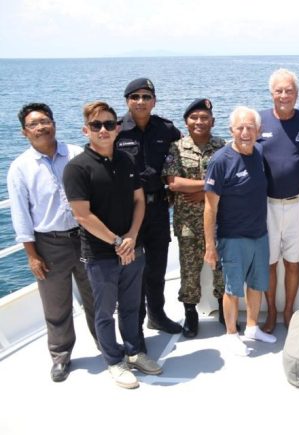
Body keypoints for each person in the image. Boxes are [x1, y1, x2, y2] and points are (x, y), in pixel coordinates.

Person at [64, 101, 162, 389]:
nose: (103, 130)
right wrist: (118, 242)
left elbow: (139, 200)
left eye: (109, 124)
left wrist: (131, 236)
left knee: (132, 306)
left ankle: (134, 352)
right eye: (96, 125)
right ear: (86, 130)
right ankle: (114, 361)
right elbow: (82, 215)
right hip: (101, 255)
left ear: (117, 128)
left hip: (132, 247)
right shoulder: (77, 168)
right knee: (105, 312)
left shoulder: (126, 160)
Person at [7, 103, 97, 382]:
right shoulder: (20, 168)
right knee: (56, 306)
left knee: (97, 296)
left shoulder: (77, 154)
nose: (41, 127)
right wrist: (32, 255)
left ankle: (106, 344)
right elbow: (21, 215)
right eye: (33, 124)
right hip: (49, 244)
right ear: (24, 132)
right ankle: (60, 356)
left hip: (85, 237)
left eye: (45, 121)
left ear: (54, 124)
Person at [203, 106, 277, 356]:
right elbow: (210, 208)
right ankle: (231, 333)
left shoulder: (259, 152)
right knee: (233, 289)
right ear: (231, 130)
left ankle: (253, 327)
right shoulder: (220, 161)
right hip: (232, 237)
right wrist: (210, 245)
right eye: (240, 128)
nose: (245, 133)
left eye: (250, 128)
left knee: (257, 285)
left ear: (259, 130)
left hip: (259, 234)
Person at [115, 78, 183, 341]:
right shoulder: (116, 130)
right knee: (132, 272)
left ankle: (157, 315)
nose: (140, 101)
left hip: (157, 209)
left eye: (146, 96)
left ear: (154, 101)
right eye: (135, 97)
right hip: (127, 212)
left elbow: (185, 152)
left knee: (156, 268)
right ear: (127, 101)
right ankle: (135, 328)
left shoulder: (166, 129)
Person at [258, 68, 299, 332]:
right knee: (269, 263)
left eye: (289, 90)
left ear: (297, 93)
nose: (284, 95)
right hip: (266, 207)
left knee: (293, 262)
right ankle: (271, 311)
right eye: (279, 91)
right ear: (271, 93)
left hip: (297, 205)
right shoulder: (258, 121)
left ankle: (288, 309)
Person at [162, 98, 225, 338]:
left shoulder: (222, 147)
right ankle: (190, 314)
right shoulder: (176, 148)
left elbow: (230, 180)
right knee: (189, 271)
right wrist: (210, 186)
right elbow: (174, 183)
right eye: (194, 118)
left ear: (212, 121)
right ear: (186, 122)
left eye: (204, 118)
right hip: (188, 222)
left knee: (221, 269)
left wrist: (203, 192)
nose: (199, 122)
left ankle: (224, 310)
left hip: (219, 221)